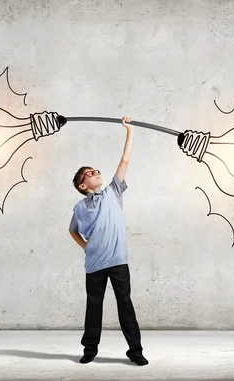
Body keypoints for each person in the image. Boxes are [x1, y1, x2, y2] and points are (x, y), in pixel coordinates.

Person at [68, 117, 148, 366]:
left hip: (117, 261)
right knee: (94, 307)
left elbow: (125, 160)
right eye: (90, 173)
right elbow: (72, 231)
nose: (96, 173)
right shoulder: (79, 207)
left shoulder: (113, 192)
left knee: (125, 305)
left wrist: (130, 131)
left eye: (96, 170)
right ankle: (90, 349)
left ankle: (135, 351)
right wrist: (87, 247)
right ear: (83, 185)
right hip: (94, 265)